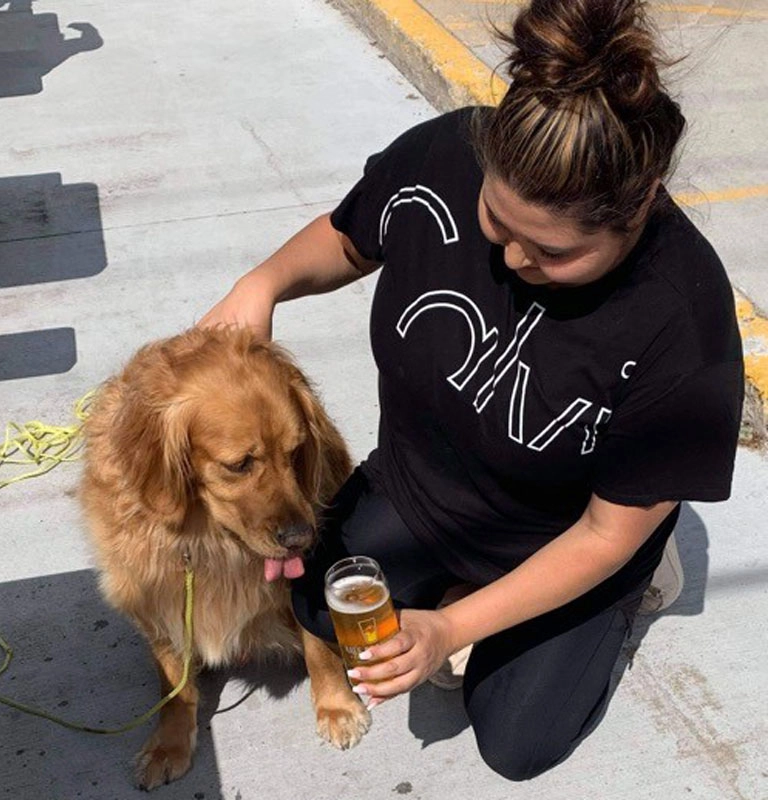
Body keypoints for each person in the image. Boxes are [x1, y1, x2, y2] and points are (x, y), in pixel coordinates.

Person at [200, 0, 743, 782]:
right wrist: (265, 283)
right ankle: (462, 583)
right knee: (316, 608)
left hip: (563, 532)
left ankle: (634, 589)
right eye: (495, 219)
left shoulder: (682, 321)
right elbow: (351, 237)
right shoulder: (445, 155)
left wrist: (450, 627)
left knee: (516, 741)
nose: (515, 258)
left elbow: (604, 534)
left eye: (553, 251)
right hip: (424, 484)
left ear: (642, 201)